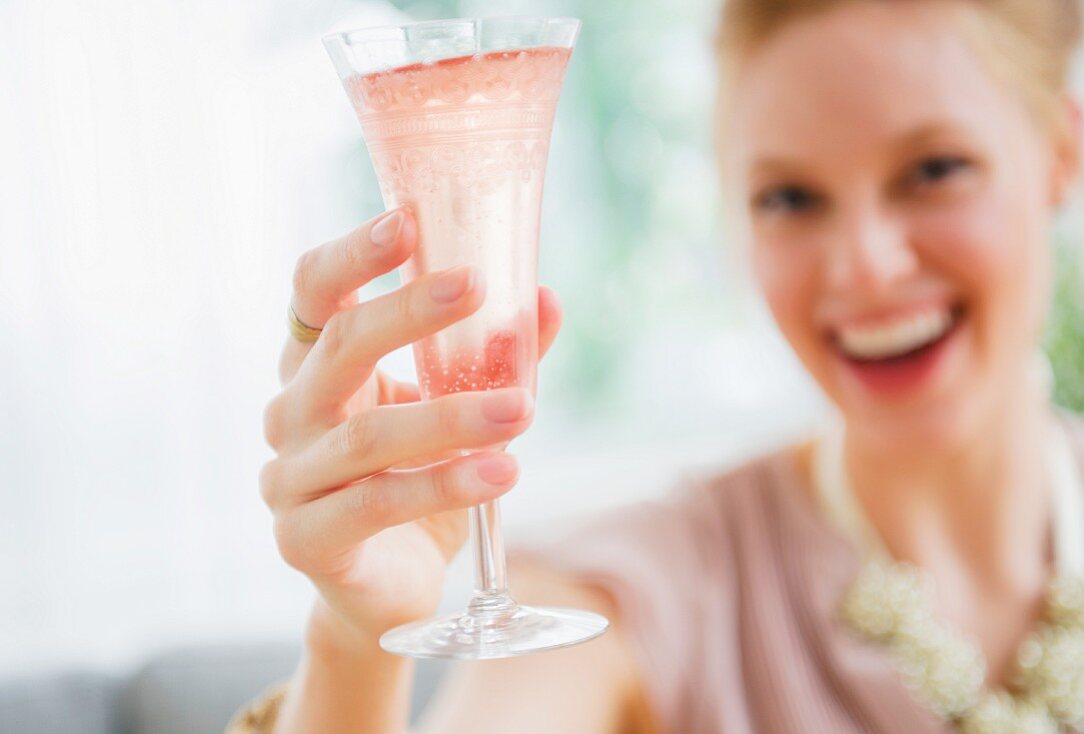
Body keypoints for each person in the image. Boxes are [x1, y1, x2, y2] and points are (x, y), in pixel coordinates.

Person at [233, 0, 1084, 731]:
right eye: (790, 197)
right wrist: (352, 639)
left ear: (1059, 152)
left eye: (935, 170)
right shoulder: (644, 589)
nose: (864, 265)